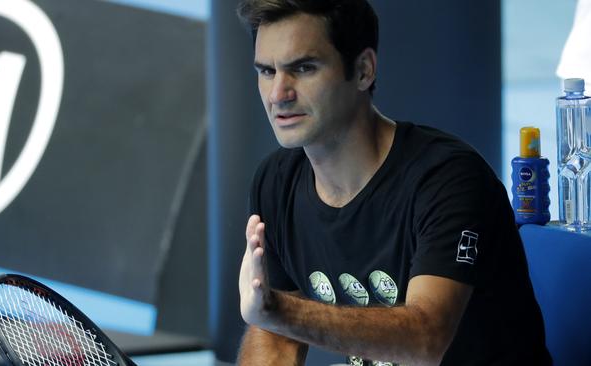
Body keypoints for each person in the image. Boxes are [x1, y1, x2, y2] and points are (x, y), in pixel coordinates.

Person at [235, 0, 551, 365]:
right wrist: (272, 315)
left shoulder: (449, 179)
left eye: (303, 68)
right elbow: (276, 338)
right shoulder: (276, 183)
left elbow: (426, 338)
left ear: (364, 70)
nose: (278, 94)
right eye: (267, 72)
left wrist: (278, 311)